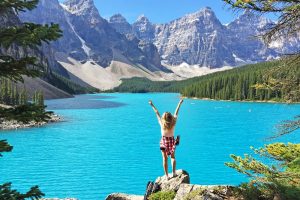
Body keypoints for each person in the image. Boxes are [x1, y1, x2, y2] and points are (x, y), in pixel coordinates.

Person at [149, 98, 184, 179]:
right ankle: (174, 173)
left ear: (164, 118)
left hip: (164, 141)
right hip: (172, 140)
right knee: (173, 157)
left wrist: (152, 105)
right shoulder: (174, 122)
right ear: (171, 118)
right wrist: (180, 103)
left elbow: (157, 112)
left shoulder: (162, 123)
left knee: (164, 159)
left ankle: (167, 176)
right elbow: (176, 112)